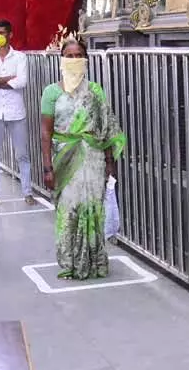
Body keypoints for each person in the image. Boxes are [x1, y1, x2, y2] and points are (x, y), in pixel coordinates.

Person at [40, 38, 125, 280]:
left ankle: (94, 261)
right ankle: (69, 263)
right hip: (65, 158)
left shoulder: (95, 91)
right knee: (68, 210)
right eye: (70, 55)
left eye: (79, 55)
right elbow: (46, 132)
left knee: (93, 209)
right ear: (62, 60)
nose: (75, 60)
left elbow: (107, 128)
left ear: (86, 60)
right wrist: (48, 168)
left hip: (94, 159)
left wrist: (110, 162)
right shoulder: (52, 93)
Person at [0, 19, 33, 207]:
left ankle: (27, 192)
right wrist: (7, 79)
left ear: (10, 35)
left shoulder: (20, 58)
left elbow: (22, 82)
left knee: (22, 154)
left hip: (15, 112)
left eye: (2, 33)